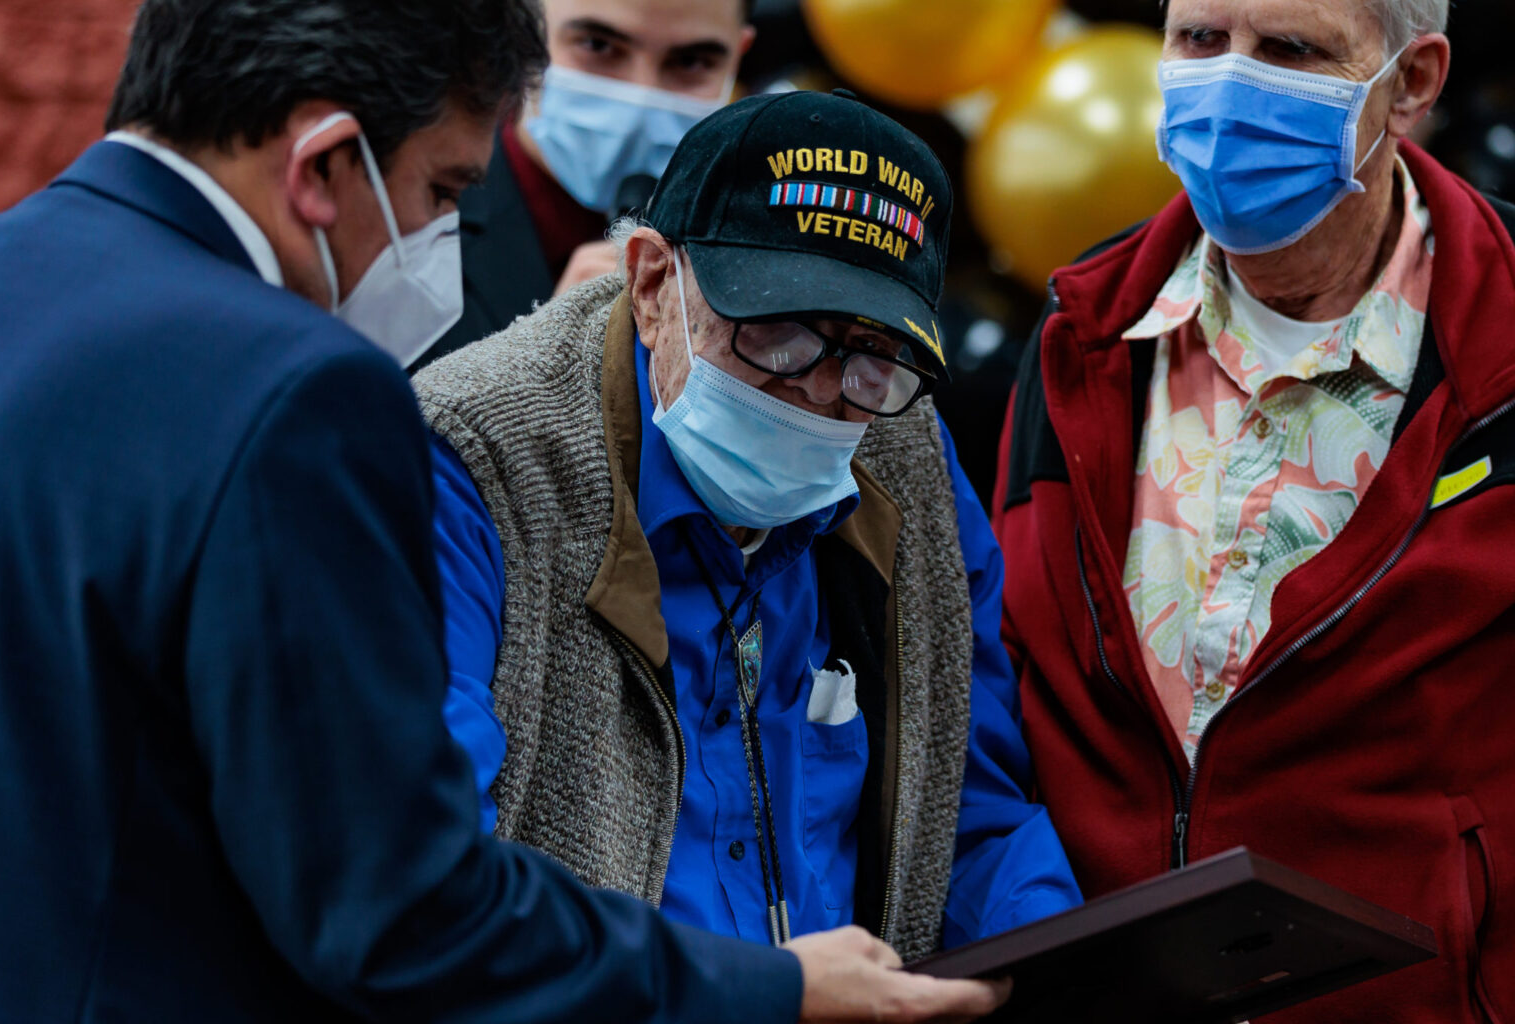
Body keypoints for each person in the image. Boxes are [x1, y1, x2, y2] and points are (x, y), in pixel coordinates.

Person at [0, 2, 1006, 1021]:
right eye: (444, 194)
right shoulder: (296, 391)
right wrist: (776, 989)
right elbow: (399, 905)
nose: (442, 246)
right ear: (324, 163)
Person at [993, 0, 1515, 1021]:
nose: (1229, 86)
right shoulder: (1083, 334)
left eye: (1290, 50)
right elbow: (1005, 712)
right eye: (1200, 39)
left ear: (1412, 81)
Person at [416, 88, 1084, 960]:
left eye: (870, 351)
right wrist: (764, 998)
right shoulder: (471, 458)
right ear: (653, 284)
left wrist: (1070, 967)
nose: (817, 390)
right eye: (777, 333)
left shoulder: (902, 450)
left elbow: (971, 808)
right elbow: (433, 876)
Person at [412, 0, 755, 372]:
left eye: (691, 62)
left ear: (738, 57)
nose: (640, 97)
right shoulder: (405, 210)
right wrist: (534, 362)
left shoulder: (761, 227)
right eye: (597, 45)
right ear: (522, 32)